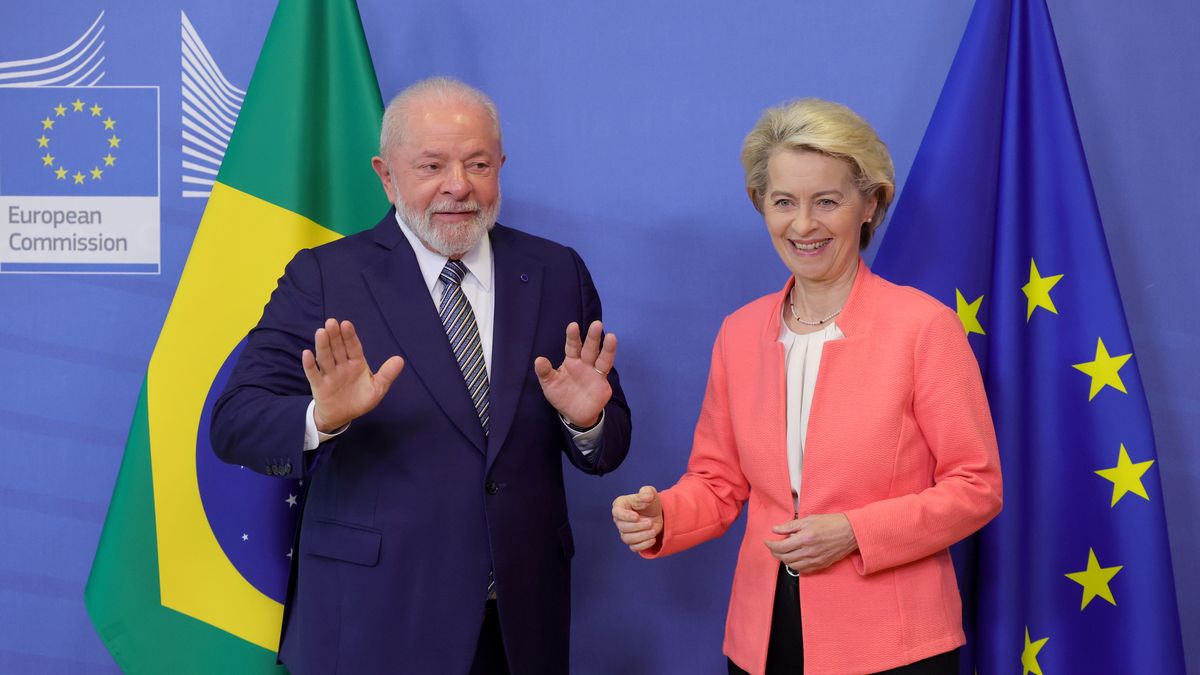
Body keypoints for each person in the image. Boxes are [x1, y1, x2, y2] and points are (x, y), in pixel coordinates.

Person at [211, 76, 632, 675]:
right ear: (387, 175)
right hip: (372, 621)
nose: (458, 186)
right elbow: (233, 423)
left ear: (501, 166)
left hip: (517, 627)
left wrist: (586, 419)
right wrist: (320, 418)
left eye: (478, 164)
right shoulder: (326, 277)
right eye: (432, 165)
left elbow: (609, 445)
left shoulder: (556, 271)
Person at [611, 99, 1001, 675]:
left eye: (827, 201)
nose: (803, 225)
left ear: (869, 204)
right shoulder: (739, 333)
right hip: (763, 640)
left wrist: (856, 532)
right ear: (761, 206)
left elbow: (977, 486)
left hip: (893, 645)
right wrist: (663, 515)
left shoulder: (924, 327)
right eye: (783, 202)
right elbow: (718, 483)